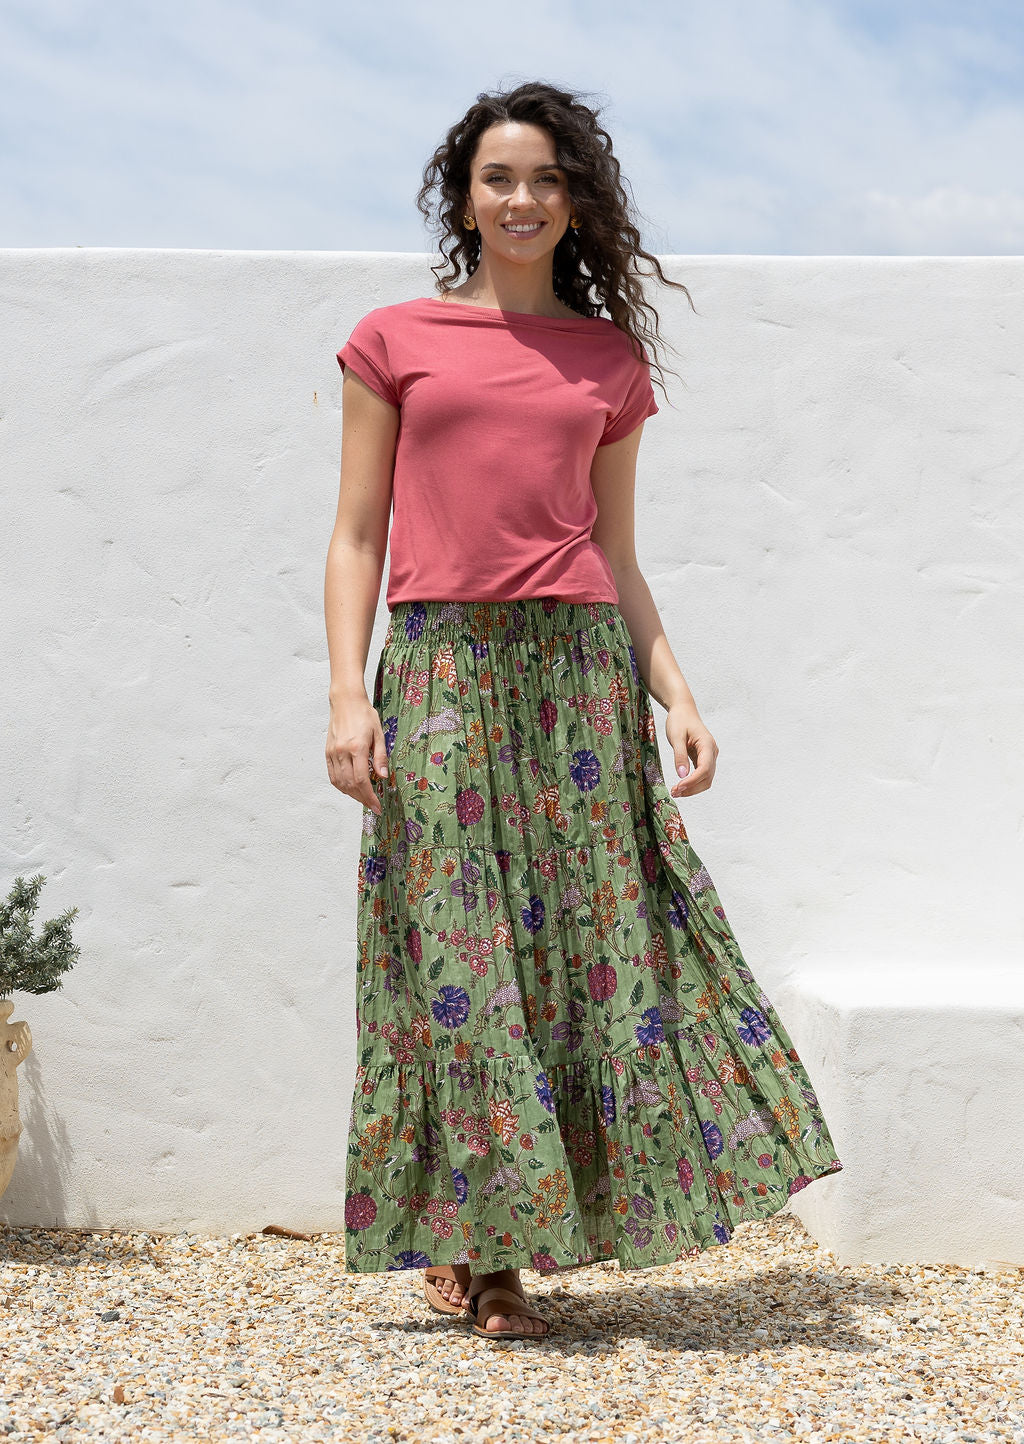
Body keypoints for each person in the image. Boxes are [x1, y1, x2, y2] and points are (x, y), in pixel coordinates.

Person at [324, 80, 843, 1343]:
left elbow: (611, 548)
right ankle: (475, 1243)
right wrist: (349, 691)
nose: (521, 198)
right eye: (499, 178)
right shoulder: (392, 339)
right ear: (464, 196)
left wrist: (676, 691)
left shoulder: (606, 361)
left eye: (546, 179)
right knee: (457, 958)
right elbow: (354, 536)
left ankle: (514, 1244)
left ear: (574, 202)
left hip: (577, 676)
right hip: (442, 664)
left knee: (588, 954)